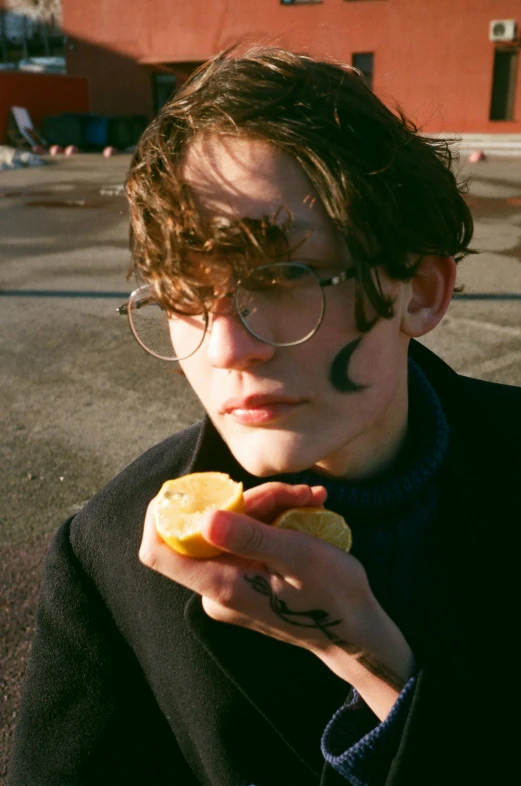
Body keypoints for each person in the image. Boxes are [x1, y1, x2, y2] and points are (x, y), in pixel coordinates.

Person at [7, 47, 520, 786]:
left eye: (281, 276)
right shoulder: (111, 558)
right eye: (184, 293)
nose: (226, 347)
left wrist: (372, 664)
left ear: (422, 291)